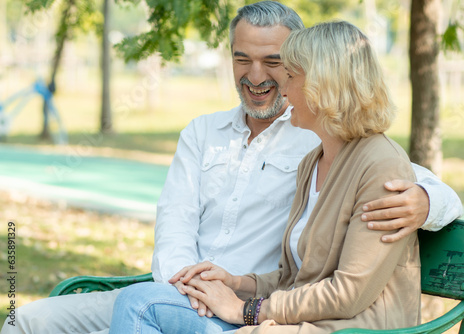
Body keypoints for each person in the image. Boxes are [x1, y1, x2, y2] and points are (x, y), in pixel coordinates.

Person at [1, 2, 461, 334]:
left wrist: (425, 201)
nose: (260, 76)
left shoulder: (324, 137)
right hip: (196, 292)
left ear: (314, 79)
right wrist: (200, 287)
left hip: (257, 310)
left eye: (278, 65)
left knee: (142, 309)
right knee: (23, 319)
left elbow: (404, 180)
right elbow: (175, 223)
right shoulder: (212, 134)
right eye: (243, 58)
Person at [109, 19, 422, 334]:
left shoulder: (381, 165)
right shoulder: (314, 161)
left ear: (324, 85)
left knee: (141, 306)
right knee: (139, 302)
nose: (283, 91)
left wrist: (244, 309)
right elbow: (292, 276)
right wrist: (237, 283)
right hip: (292, 322)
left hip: (348, 327)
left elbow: (348, 295)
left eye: (291, 76)